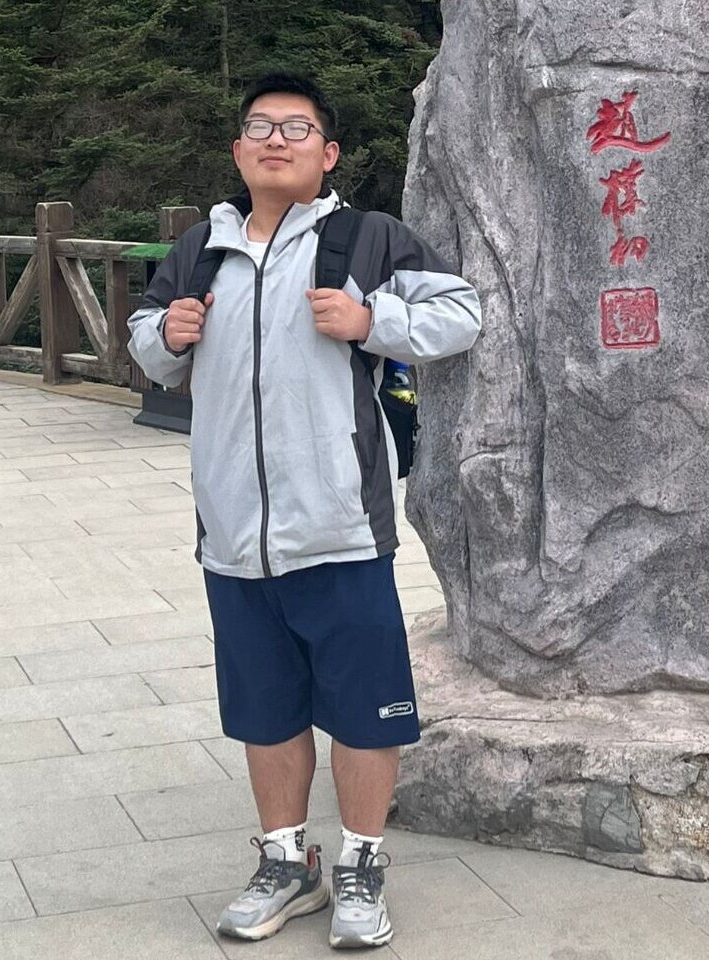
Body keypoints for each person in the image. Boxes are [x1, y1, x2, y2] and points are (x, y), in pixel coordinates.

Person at [126, 73, 481, 949]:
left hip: (339, 527)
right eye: (259, 127)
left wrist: (371, 319)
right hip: (233, 536)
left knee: (363, 711)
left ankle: (361, 862)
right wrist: (164, 335)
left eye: (295, 128)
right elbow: (145, 339)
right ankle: (286, 862)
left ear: (328, 154)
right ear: (237, 150)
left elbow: (461, 312)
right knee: (265, 710)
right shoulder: (199, 249)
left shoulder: (367, 238)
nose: (275, 140)